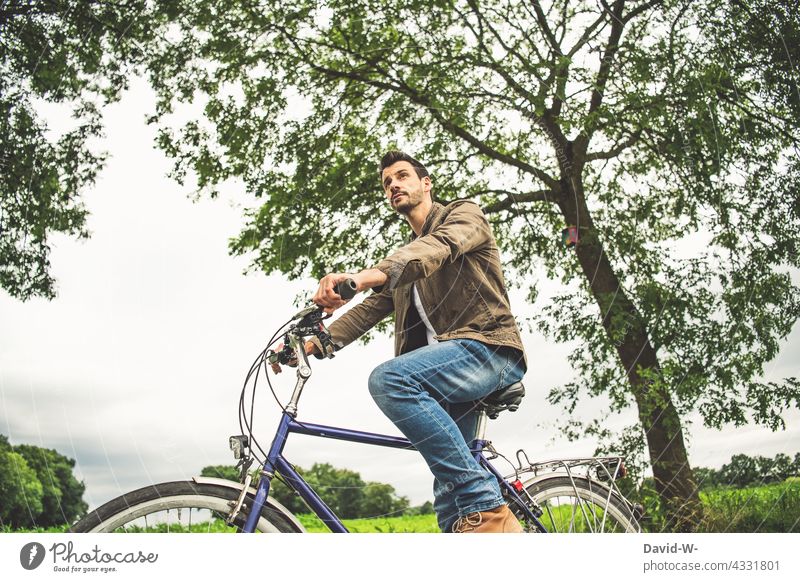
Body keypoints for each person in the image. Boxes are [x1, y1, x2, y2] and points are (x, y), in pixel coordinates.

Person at [285, 151, 527, 533]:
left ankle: (489, 507)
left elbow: (436, 249)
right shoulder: (405, 264)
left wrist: (362, 277)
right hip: (449, 379)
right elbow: (368, 311)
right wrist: (314, 341)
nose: (394, 185)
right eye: (387, 183)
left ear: (425, 183)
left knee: (390, 380)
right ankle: (481, 522)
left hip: (489, 351)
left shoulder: (463, 217)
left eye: (402, 176)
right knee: (451, 505)